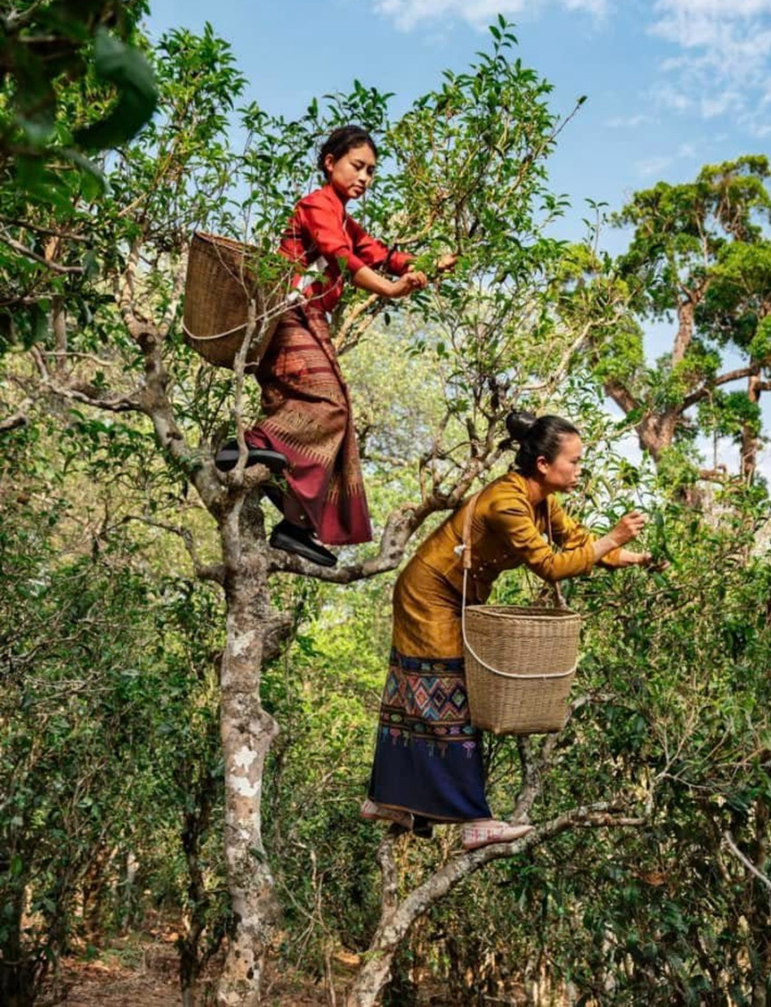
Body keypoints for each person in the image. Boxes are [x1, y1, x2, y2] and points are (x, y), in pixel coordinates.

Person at [362, 411, 660, 851]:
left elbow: (578, 543)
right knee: (448, 695)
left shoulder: (541, 501)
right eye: (574, 462)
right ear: (543, 464)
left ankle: (387, 801)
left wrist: (630, 557)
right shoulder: (507, 502)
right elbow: (552, 567)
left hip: (460, 597)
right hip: (429, 594)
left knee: (419, 691)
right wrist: (613, 540)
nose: (579, 470)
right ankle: (472, 821)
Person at [216, 125, 427, 567]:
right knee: (329, 405)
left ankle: (295, 525)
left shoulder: (345, 218)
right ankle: (245, 443)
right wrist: (389, 290)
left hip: (310, 318)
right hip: (284, 313)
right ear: (330, 163)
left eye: (371, 170)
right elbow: (344, 257)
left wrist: (422, 268)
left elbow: (378, 252)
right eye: (357, 166)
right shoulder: (316, 205)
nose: (365, 177)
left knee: (337, 419)